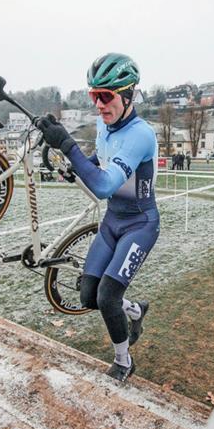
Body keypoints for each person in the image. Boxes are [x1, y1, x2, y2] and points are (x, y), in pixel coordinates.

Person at [37, 53, 157, 382]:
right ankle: (136, 310)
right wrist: (71, 164)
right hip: (112, 222)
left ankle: (124, 360)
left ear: (129, 95)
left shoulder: (140, 135)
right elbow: (100, 160)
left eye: (106, 96)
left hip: (139, 225)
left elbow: (104, 185)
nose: (99, 105)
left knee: (107, 297)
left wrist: (66, 144)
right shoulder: (106, 127)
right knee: (89, 296)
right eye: (94, 96)